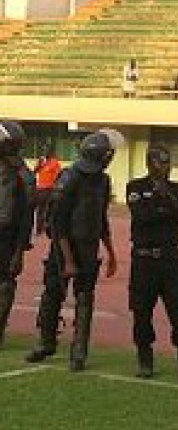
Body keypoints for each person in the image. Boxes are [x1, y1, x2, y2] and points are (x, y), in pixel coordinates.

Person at [25, 131, 118, 370]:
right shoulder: (70, 177)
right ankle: (45, 341)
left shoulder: (103, 181)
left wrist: (110, 251)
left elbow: (101, 218)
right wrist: (67, 259)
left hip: (89, 247)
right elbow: (58, 221)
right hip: (63, 247)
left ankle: (79, 351)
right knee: (53, 294)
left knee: (85, 297)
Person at [125, 144, 178, 381]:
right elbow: (142, 216)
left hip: (169, 259)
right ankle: (145, 360)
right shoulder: (135, 187)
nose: (165, 167)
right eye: (160, 162)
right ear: (149, 164)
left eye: (167, 162)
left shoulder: (177, 188)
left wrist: (166, 199)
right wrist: (166, 209)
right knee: (141, 312)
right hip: (144, 259)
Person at [0, 120, 35, 348]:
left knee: (5, 284)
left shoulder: (22, 175)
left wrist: (19, 250)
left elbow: (26, 216)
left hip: (7, 236)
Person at [33, 146, 61, 236]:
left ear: (51, 153)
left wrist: (55, 189)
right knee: (39, 210)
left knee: (48, 209)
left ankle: (47, 228)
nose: (45, 153)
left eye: (47, 151)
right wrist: (39, 164)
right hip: (39, 189)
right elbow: (34, 172)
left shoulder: (55, 163)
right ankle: (39, 228)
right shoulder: (41, 161)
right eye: (44, 151)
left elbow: (58, 176)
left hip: (50, 189)